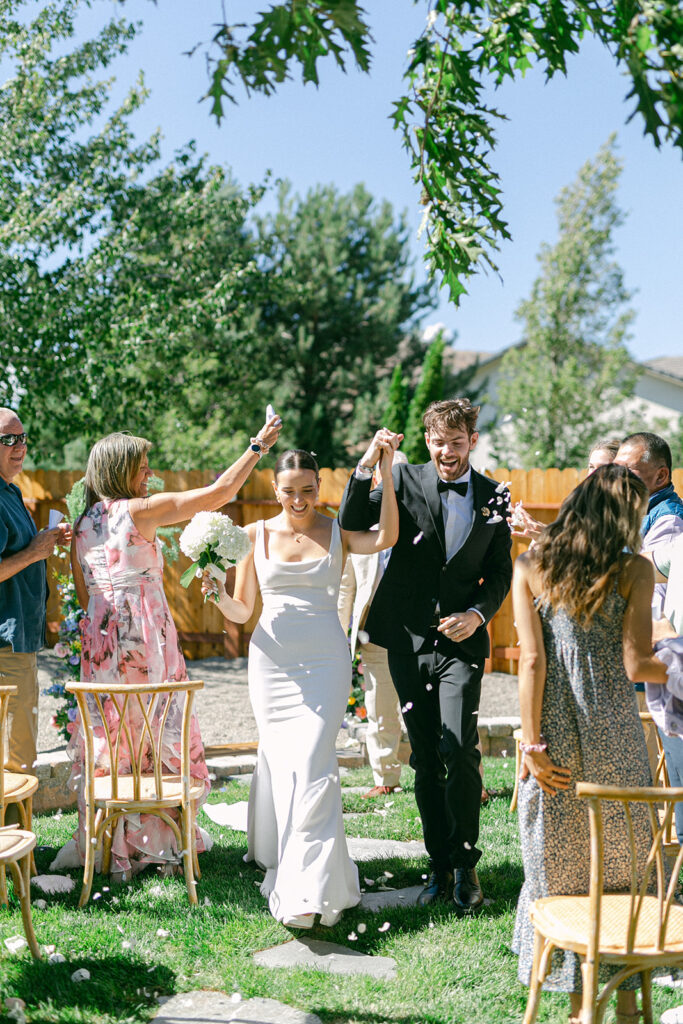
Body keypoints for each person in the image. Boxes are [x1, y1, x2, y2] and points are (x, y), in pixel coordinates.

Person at [66, 416, 281, 879]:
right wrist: (257, 447)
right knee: (155, 728)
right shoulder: (137, 510)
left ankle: (116, 845)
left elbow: (85, 593)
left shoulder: (83, 523)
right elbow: (219, 493)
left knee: (118, 737)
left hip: (100, 646)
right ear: (120, 470)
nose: (148, 475)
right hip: (145, 640)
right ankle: (157, 842)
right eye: (142, 468)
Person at [203, 442, 398, 928]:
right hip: (271, 665)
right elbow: (244, 612)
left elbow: (389, 535)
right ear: (275, 489)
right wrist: (220, 595)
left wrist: (387, 470)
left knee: (314, 761)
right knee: (286, 762)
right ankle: (289, 861)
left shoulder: (336, 532)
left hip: (325, 663)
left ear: (318, 488)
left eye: (308, 490)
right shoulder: (253, 536)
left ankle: (311, 886)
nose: (298, 500)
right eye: (289, 491)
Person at [338, 399, 512, 913]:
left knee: (460, 749)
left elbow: (500, 572)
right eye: (439, 442)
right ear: (428, 440)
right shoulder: (402, 477)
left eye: (457, 443)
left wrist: (478, 615)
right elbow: (352, 521)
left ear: (472, 441)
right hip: (407, 639)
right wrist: (368, 462)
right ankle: (438, 865)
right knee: (425, 759)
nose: (447, 452)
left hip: (462, 644)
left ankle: (466, 865)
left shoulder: (494, 497)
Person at [512, 464, 670, 1024]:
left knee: (563, 874)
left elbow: (530, 662)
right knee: (622, 870)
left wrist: (532, 746)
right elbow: (638, 663)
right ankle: (625, 1004)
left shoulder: (531, 563)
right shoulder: (635, 570)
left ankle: (582, 1009)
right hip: (616, 738)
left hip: (554, 740)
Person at [0, 408, 71, 787]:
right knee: (16, 760)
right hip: (5, 648)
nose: (19, 446)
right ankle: (14, 844)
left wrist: (46, 542)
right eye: (8, 439)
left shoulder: (11, 492)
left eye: (22, 438)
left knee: (17, 755)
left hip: (19, 643)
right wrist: (33, 552)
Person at [337, 451, 408, 798]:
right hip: (373, 630)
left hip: (416, 631)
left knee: (435, 707)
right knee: (379, 707)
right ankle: (386, 779)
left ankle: (457, 776)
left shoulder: (418, 523)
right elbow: (347, 586)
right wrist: (339, 629)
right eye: (386, 477)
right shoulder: (360, 530)